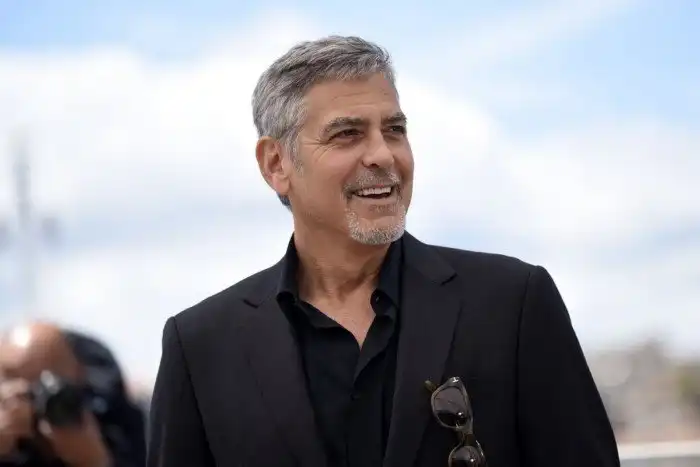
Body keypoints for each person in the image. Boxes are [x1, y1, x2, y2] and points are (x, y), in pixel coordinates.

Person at [147, 36, 620, 467]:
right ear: (276, 164)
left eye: (394, 130)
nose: (383, 155)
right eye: (347, 134)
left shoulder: (513, 302)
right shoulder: (200, 345)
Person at [0, 322, 145, 467]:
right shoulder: (10, 447)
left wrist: (95, 461)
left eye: (52, 382)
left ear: (79, 374)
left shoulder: (122, 427)